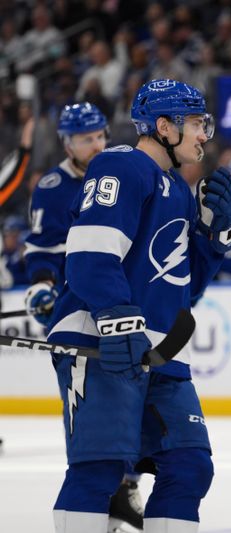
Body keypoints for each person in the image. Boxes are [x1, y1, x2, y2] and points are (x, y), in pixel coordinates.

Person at [46, 79, 231, 533]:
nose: (204, 134)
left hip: (158, 350)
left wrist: (214, 240)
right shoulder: (120, 165)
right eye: (195, 123)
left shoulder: (175, 188)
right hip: (100, 340)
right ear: (164, 126)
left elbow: (181, 289)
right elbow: (90, 256)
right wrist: (116, 317)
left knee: (190, 466)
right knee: (99, 470)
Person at [22, 102, 146, 533]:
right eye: (83, 139)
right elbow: (43, 247)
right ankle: (98, 488)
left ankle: (124, 487)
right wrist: (42, 283)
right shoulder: (53, 185)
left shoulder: (121, 171)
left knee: (130, 397)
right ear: (66, 143)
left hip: (115, 302)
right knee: (89, 407)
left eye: (98, 136)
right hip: (73, 305)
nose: (93, 145)